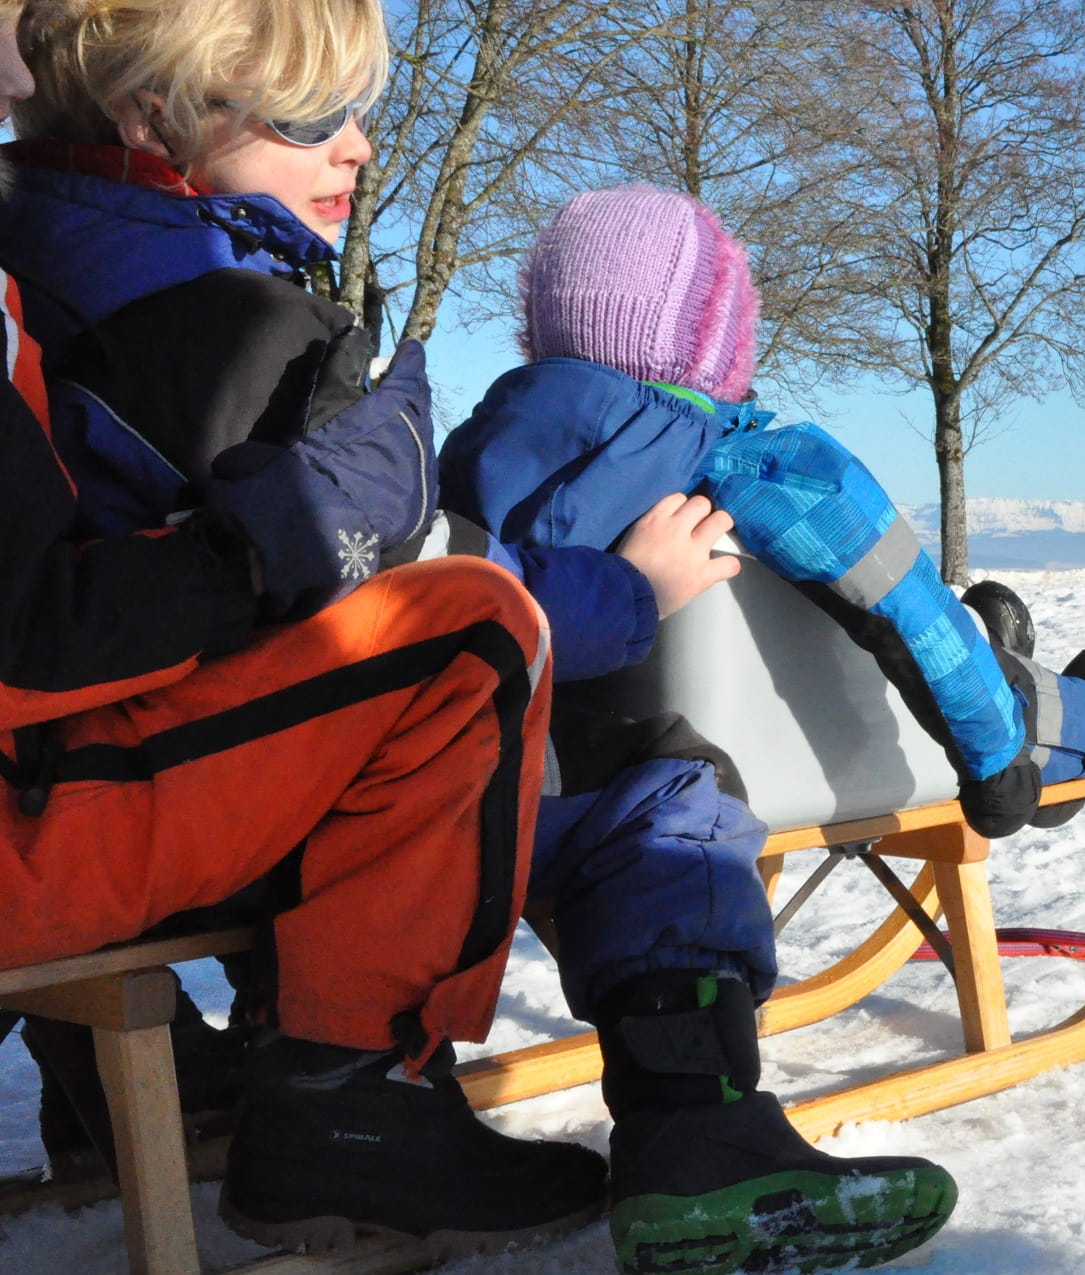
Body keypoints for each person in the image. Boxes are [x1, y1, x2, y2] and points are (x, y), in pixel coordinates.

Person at [0, 2, 956, 1272]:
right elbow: (399, 575)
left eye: (362, 114)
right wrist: (628, 593)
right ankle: (659, 1131)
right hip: (130, 805)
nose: (354, 149)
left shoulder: (53, 255)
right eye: (307, 115)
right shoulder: (214, 316)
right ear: (153, 110)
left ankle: (147, 1087)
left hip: (118, 768)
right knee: (635, 768)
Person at [439, 182, 1085, 841]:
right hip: (808, 756)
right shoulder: (756, 465)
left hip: (563, 778)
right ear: (712, 338)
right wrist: (998, 768)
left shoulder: (470, 465)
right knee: (974, 666)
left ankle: (995, 648)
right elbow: (907, 606)